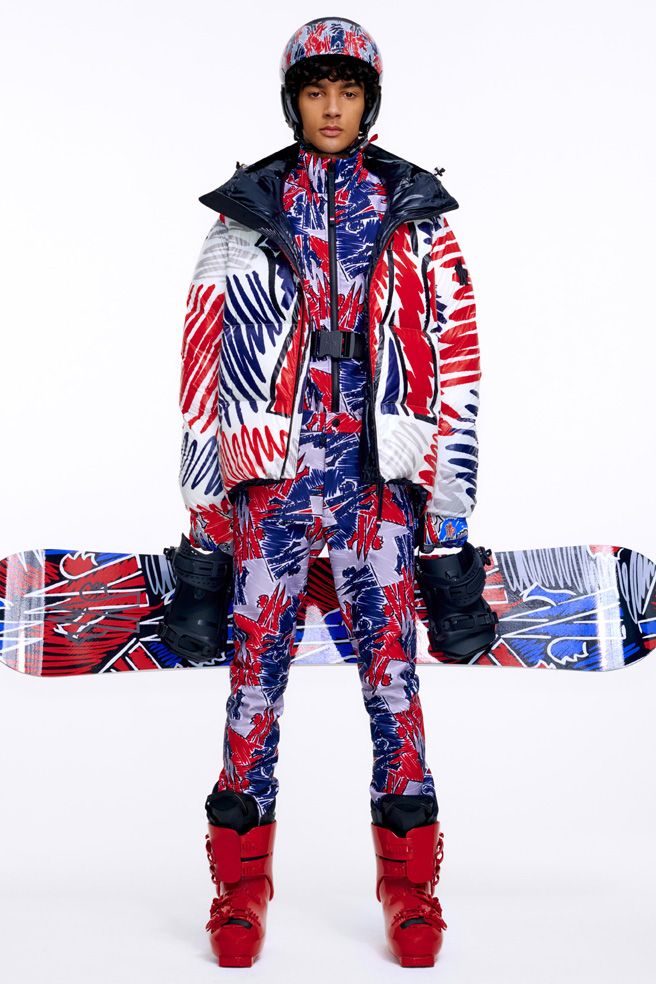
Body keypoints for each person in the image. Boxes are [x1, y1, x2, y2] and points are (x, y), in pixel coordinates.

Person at [167, 15, 482, 969]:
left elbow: (458, 371)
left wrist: (450, 527)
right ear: (292, 101)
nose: (332, 108)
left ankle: (410, 888)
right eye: (315, 91)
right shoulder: (243, 219)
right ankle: (239, 888)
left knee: (393, 684)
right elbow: (201, 374)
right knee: (252, 688)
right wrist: (203, 533)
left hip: (377, 485)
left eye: (348, 92)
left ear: (369, 101)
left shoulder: (417, 217)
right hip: (272, 484)